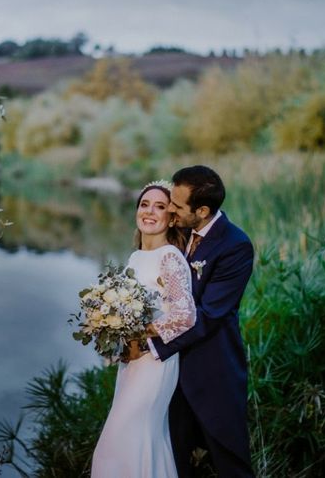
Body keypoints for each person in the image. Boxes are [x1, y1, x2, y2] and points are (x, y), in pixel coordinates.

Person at [143, 165, 255, 478]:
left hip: (212, 371)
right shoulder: (178, 233)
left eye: (177, 206)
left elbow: (209, 315)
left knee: (230, 461)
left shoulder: (235, 246)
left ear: (202, 211)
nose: (171, 210)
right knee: (174, 459)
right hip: (169, 373)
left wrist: (150, 343)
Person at [91, 181, 196, 478]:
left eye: (160, 206)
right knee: (134, 440)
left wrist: (140, 335)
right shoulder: (136, 257)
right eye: (144, 204)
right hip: (131, 361)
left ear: (171, 218)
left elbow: (185, 316)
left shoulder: (170, 257)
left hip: (155, 362)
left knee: (123, 438)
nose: (149, 212)